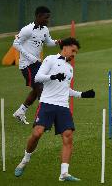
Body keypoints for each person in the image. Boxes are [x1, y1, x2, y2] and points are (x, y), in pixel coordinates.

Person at [14, 37, 95, 181]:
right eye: (73, 50)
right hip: (47, 103)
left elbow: (65, 89)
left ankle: (64, 173)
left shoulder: (70, 69)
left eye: (76, 52)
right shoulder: (50, 59)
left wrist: (82, 94)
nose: (74, 54)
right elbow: (38, 78)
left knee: (68, 136)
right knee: (37, 133)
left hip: (63, 106)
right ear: (65, 47)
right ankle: (25, 159)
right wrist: (53, 76)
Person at [12, 6, 60, 124]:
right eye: (45, 18)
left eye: (48, 18)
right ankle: (45, 117)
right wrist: (29, 56)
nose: (47, 20)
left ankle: (20, 112)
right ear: (38, 16)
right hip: (26, 65)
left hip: (38, 64)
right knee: (39, 88)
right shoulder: (27, 29)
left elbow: (48, 42)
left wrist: (58, 42)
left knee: (36, 89)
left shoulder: (45, 29)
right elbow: (16, 44)